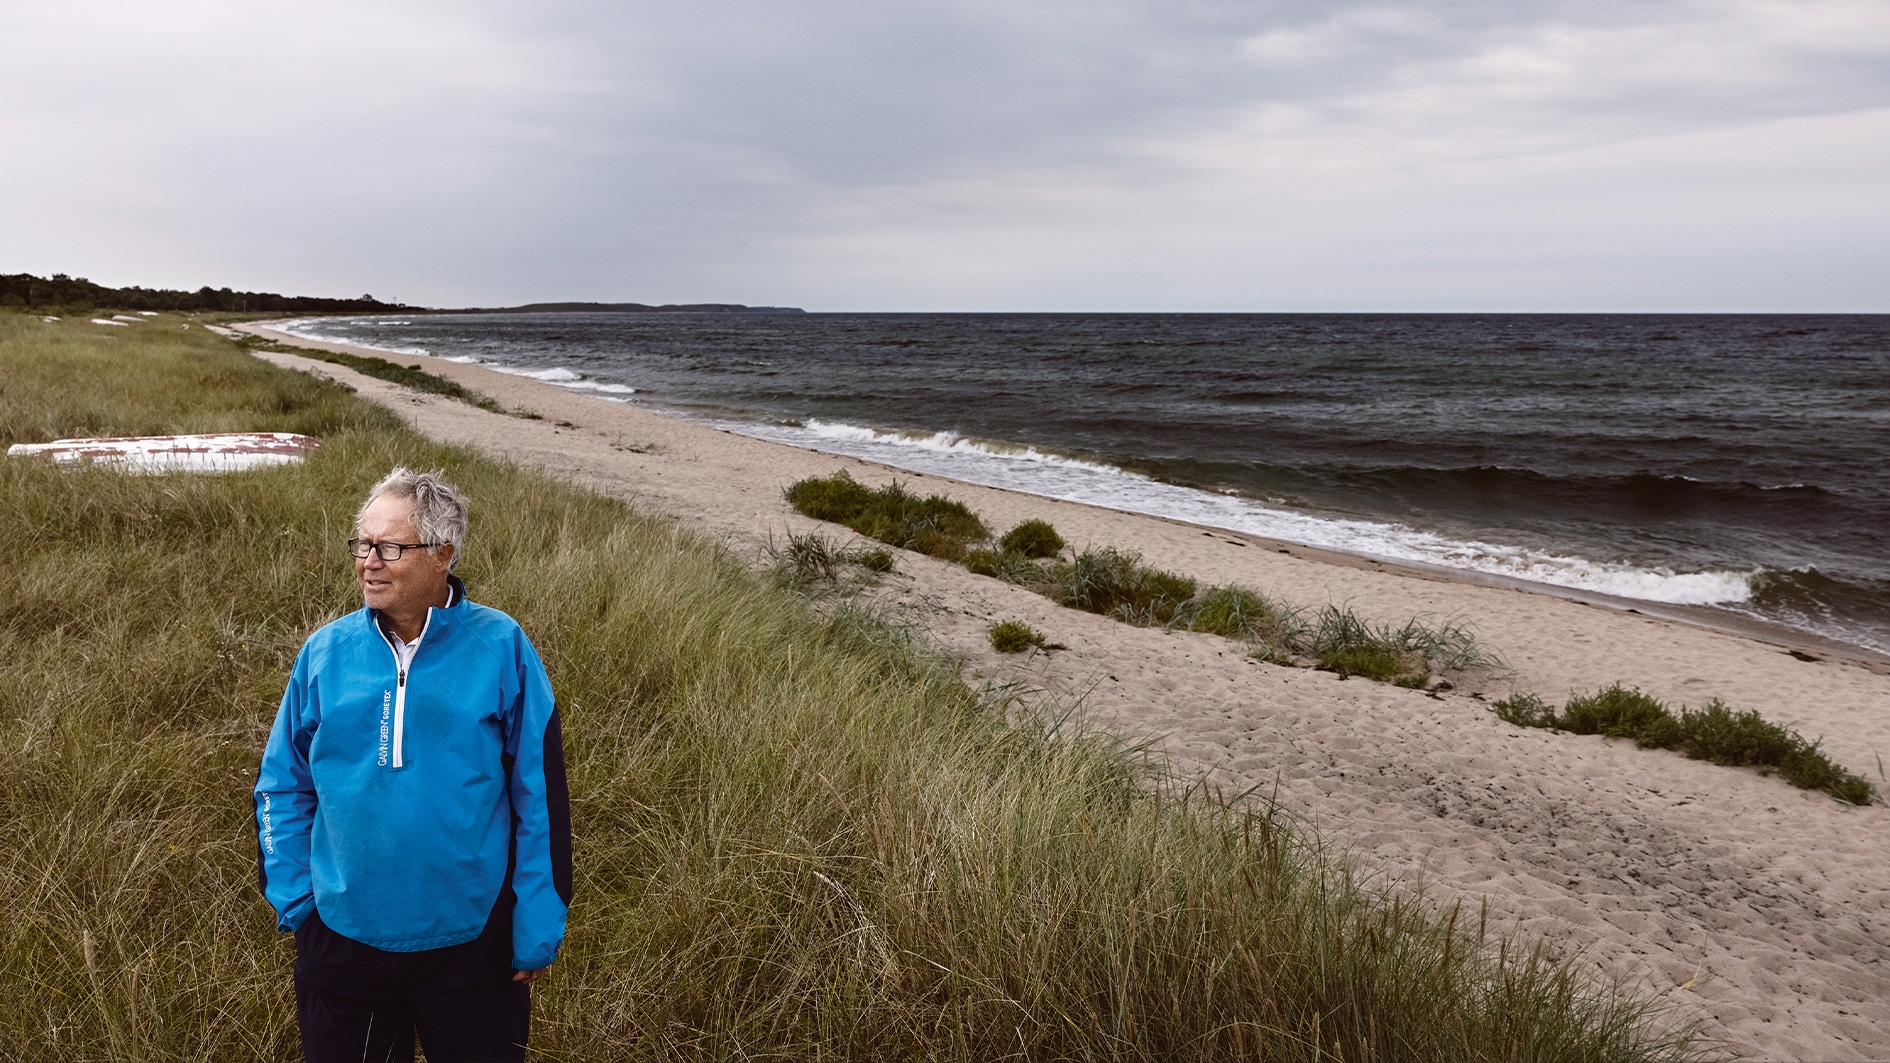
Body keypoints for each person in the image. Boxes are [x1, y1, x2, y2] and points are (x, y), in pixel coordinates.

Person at [255, 467, 571, 1063]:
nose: (368, 563)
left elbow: (540, 796)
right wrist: (297, 901)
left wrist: (535, 923)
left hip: (474, 944)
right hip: (342, 941)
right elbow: (281, 785)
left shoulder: (501, 646)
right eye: (362, 544)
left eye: (389, 548)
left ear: (443, 554)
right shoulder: (325, 651)